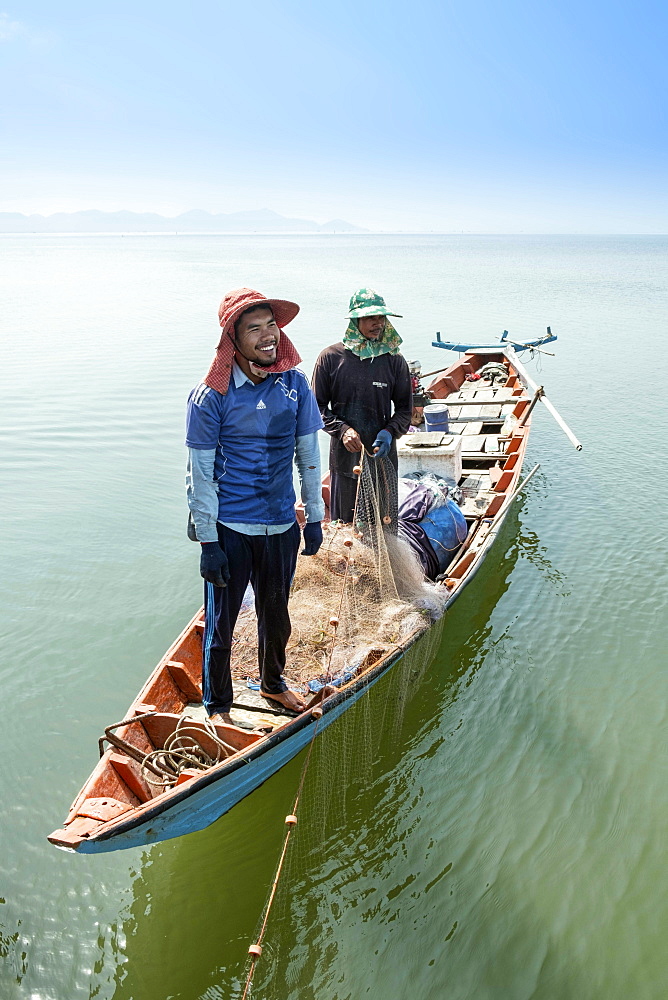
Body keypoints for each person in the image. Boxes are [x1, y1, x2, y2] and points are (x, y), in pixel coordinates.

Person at [185, 287, 325, 724]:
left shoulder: (295, 384)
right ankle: (218, 706)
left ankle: (272, 683)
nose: (268, 337)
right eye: (254, 329)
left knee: (276, 616)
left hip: (281, 523)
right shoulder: (212, 396)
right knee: (222, 627)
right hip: (231, 527)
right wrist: (208, 541)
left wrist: (314, 515)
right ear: (234, 338)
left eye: (272, 326)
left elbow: (309, 455)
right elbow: (199, 475)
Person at [312, 288, 412, 525]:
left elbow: (405, 411)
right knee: (345, 525)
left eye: (381, 318)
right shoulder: (330, 358)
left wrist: (390, 432)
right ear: (355, 321)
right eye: (370, 318)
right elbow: (315, 408)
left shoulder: (394, 360)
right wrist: (343, 430)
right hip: (345, 460)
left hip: (382, 458)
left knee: (384, 522)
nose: (378, 324)